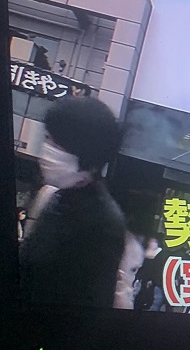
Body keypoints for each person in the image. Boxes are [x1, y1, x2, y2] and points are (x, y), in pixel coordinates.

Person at [19, 96, 128, 308]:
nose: (47, 148)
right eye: (48, 137)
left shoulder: (103, 224)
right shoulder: (55, 195)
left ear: (88, 159)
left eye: (57, 143)